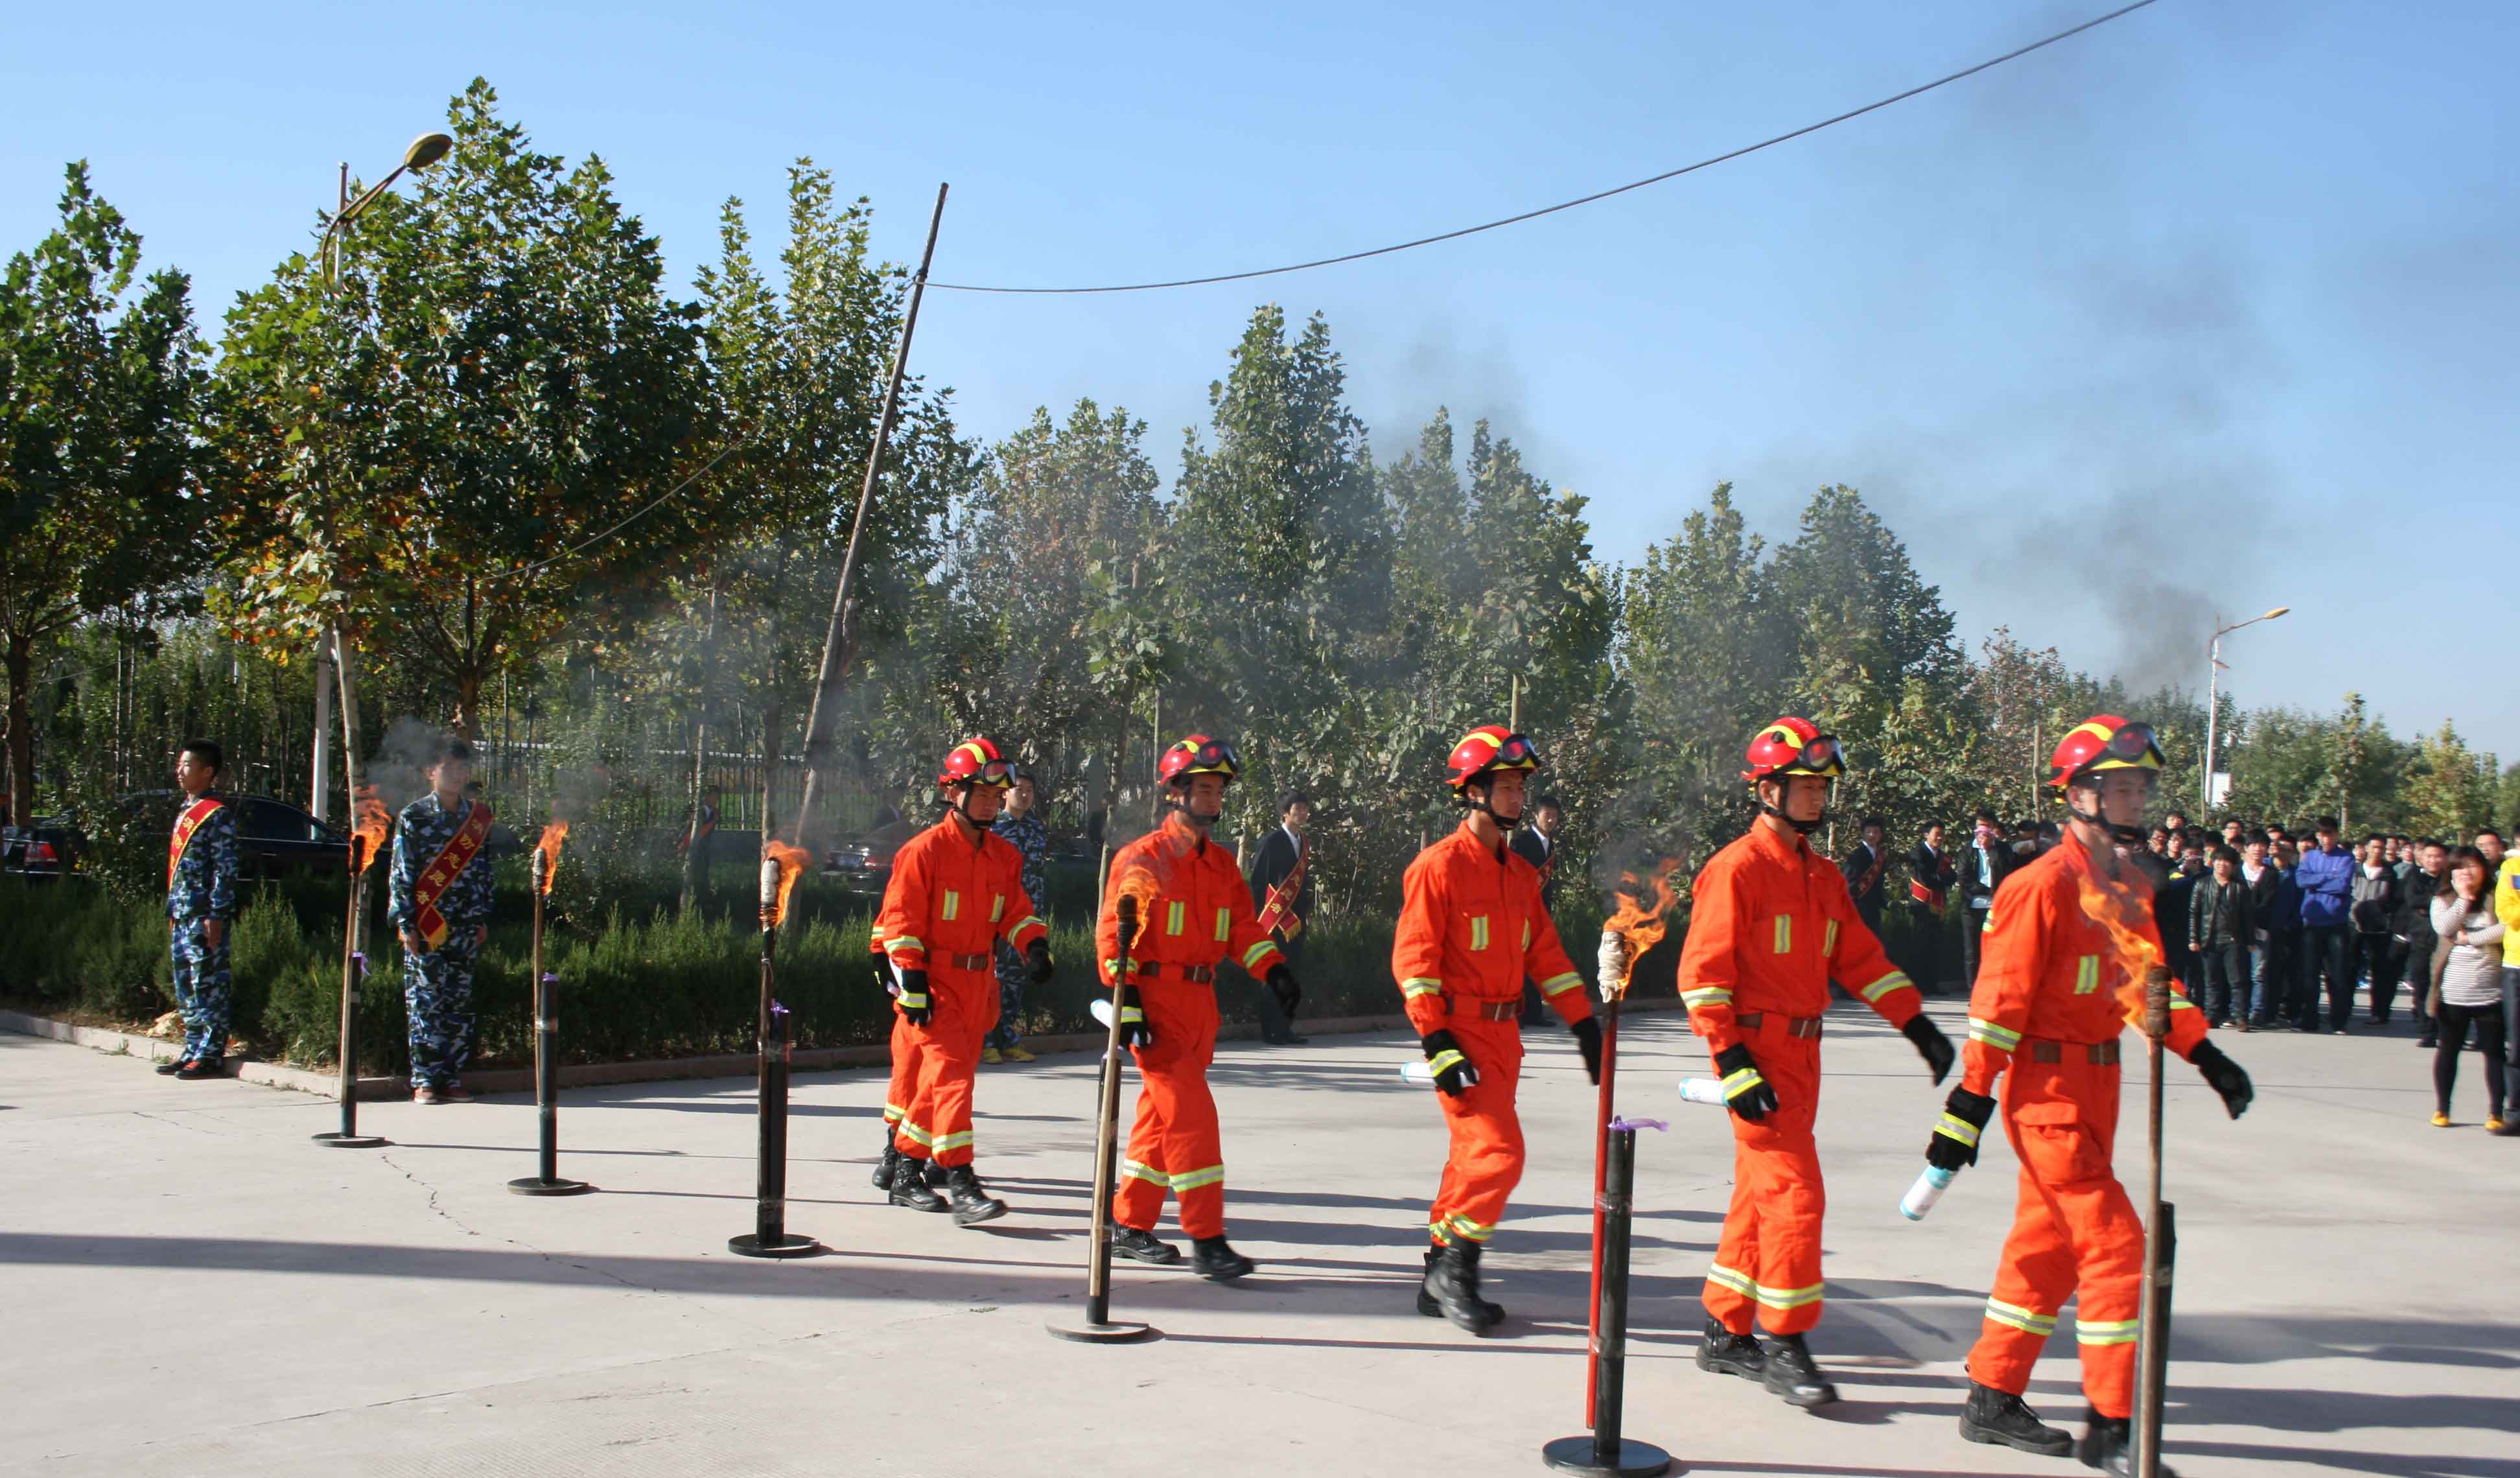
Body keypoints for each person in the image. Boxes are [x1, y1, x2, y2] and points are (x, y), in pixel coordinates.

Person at [1927, 716, 2252, 1472]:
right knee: (2117, 1247)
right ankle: (2111, 1423)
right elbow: (1998, 1006)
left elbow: (2148, 987)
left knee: (2046, 1251)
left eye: (2141, 787)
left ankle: (1991, 1395)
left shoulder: (2129, 886)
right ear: (2080, 796)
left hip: (2100, 1086)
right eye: (2123, 788)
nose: (2138, 801)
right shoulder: (2038, 887)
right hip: (2046, 1097)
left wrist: (2203, 1051)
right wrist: (1969, 1103)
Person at [1671, 718, 1952, 1407]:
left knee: (1759, 1196)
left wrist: (1915, 1021)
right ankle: (1785, 1341)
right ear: (1768, 789)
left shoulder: (1823, 877)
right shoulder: (1736, 869)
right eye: (1806, 785)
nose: (1819, 796)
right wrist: (1732, 1060)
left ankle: (1725, 1330)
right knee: (1796, 1195)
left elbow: (1860, 959)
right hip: (1757, 1055)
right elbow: (1702, 978)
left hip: (1804, 1055)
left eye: (1824, 786)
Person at [1394, 725, 1598, 1333]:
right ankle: (1457, 1268)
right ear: (1473, 791)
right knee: (1499, 1154)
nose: (1517, 796)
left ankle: (1438, 1271)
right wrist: (1436, 1041)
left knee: (1471, 1158)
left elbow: (1547, 956)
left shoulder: (1520, 876)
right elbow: (1414, 962)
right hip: (1459, 1034)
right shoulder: (1438, 867)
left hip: (1506, 1038)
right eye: (1505, 786)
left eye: (1520, 786)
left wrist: (1582, 1019)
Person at [1099, 735, 1299, 1278]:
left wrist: (1273, 969)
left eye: (1218, 790)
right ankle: (1208, 1240)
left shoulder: (1221, 866)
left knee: (1160, 1120)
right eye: (1204, 789)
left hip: (1200, 1006)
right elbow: (1115, 938)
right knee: (1193, 1119)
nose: (1214, 799)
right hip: (1157, 1006)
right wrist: (1129, 1001)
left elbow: (1242, 931)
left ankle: (1130, 1223)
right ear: (1176, 793)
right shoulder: (1143, 859)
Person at [876, 738, 1053, 1225]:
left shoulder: (1003, 855)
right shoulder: (923, 852)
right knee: (950, 1077)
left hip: (979, 986)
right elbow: (900, 924)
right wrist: (912, 983)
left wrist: (1034, 945)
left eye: (997, 795)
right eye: (983, 793)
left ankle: (906, 1169)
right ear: (953, 792)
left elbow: (1015, 911)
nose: (992, 803)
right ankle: (961, 1181)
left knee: (944, 1080)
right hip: (935, 984)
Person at [389, 737, 498, 1104]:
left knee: (459, 1004)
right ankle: (425, 1079)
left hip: (465, 926)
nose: (456, 774)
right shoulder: (415, 817)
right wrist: (406, 923)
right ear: (430, 771)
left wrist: (482, 917)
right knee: (425, 1003)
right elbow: (402, 873)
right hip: (428, 924)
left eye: (462, 768)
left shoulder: (476, 818)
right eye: (448, 767)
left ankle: (452, 1077)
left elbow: (484, 871)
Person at [159, 740, 240, 1081]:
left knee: (208, 984)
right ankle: (192, 1049)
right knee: (186, 986)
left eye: (187, 765)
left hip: (204, 914)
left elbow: (225, 868)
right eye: (180, 764)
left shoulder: (216, 814)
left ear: (207, 772)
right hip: (182, 912)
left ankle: (209, 1054)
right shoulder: (186, 809)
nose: (180, 771)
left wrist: (216, 913)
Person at [2426, 847, 2505, 1130]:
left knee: (2494, 1052)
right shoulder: (2443, 899)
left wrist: (2471, 939)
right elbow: (2443, 928)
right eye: (2460, 867)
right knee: (2448, 1049)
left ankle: (2496, 1112)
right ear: (2451, 872)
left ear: (2484, 868)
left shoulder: (2496, 896)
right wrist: (2463, 898)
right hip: (2453, 991)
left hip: (2491, 990)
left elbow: (2507, 927)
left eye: (2472, 865)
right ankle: (2442, 1109)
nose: (2466, 872)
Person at [984, 768, 1049, 1065]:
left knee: (1016, 979)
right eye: (1019, 789)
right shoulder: (993, 828)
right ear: (1005, 794)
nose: (1024, 795)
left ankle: (1008, 1038)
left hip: (1028, 916)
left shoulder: (1036, 828)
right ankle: (986, 1039)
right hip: (999, 916)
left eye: (1029, 790)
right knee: (994, 978)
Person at [1244, 788, 1315, 1045]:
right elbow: (1258, 880)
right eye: (1298, 809)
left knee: (1292, 976)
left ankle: (1285, 1028)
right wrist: (1257, 917)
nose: (1303, 813)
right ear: (1285, 813)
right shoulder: (1271, 841)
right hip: (1273, 921)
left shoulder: (1304, 842)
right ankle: (1271, 1031)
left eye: (1305, 809)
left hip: (1296, 922)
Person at [1509, 793, 1567, 1024]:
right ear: (1536, 815)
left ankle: (1534, 1013)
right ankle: (1518, 1014)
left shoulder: (1550, 844)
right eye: (1547, 815)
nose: (1551, 820)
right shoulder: (1521, 842)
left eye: (1555, 816)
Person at [2295, 817, 2355, 1033]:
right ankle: (2309, 1019)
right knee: (2309, 975)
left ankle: (2338, 1020)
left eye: (2329, 834)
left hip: (2336, 923)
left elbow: (2343, 885)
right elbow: (2301, 881)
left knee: (2337, 975)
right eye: (2322, 835)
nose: (2326, 839)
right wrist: (2329, 876)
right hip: (2312, 923)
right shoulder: (2310, 856)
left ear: (2337, 835)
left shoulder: (2347, 857)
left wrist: (2317, 882)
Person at [2189, 846, 2252, 1027]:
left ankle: (2240, 1016)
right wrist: (2193, 939)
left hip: (2233, 940)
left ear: (2233, 865)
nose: (2222, 864)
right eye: (2218, 860)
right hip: (2209, 939)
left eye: (2227, 861)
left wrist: (2250, 941)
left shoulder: (2241, 887)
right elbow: (2194, 913)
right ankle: (2212, 1015)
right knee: (2211, 981)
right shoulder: (2202, 884)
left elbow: (2248, 917)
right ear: (2213, 862)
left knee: (2237, 981)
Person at [2350, 834, 2405, 1026]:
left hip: (2380, 928)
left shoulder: (2390, 874)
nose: (2377, 851)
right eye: (2374, 847)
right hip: (2353, 924)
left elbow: (2395, 900)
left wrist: (2383, 912)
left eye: (2381, 848)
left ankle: (2380, 1012)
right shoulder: (2354, 870)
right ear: (2365, 848)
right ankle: (2344, 1008)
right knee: (2349, 967)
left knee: (2381, 971)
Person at [1960, 810, 2016, 991]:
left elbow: (2008, 873)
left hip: (1997, 906)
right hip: (1973, 906)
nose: (1982, 830)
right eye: (1979, 826)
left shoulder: (2003, 849)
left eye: (1987, 826)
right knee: (1972, 951)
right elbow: (1964, 877)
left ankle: (1994, 988)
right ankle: (1974, 991)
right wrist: (1986, 890)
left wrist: (1991, 849)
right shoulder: (1967, 850)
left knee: (1996, 949)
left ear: (1993, 828)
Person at [2399, 839, 2445, 1048]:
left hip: (2445, 940)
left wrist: (2428, 905)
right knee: (2422, 984)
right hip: (2420, 939)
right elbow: (2413, 901)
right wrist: (2436, 901)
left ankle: (2445, 1030)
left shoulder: (2450, 879)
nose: (2433, 860)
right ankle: (2427, 1031)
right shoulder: (2414, 876)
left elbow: (2452, 902)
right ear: (2422, 858)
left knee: (2443, 986)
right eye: (2429, 856)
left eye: (2437, 856)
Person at [1906, 822, 1958, 994]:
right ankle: (1918, 985)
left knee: (1935, 945)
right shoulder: (1917, 853)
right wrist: (1942, 879)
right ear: (1926, 834)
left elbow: (1952, 877)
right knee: (1920, 945)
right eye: (1937, 833)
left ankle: (1932, 984)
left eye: (1942, 834)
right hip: (1922, 905)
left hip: (1938, 905)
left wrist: (1941, 878)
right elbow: (1925, 878)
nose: (1940, 837)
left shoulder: (1943, 857)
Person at [2237, 839, 2280, 1031]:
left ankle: (2257, 1013)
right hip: (2237, 929)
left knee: (2258, 974)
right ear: (2246, 848)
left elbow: (2268, 901)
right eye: (2254, 844)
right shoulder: (2237, 871)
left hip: (2261, 929)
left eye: (2262, 845)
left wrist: (2251, 918)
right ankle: (2238, 1013)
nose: (2258, 849)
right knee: (2238, 973)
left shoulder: (2271, 874)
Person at [2497, 835, 2520, 1135]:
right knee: (2517, 1044)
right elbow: (2508, 913)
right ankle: (2515, 1113)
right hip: (2516, 965)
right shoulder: (2511, 869)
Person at [1841, 816, 1889, 936]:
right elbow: (1849, 882)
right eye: (1868, 832)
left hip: (1874, 907)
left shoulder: (1880, 856)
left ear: (1881, 835)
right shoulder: (1856, 855)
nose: (1872, 835)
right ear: (1863, 834)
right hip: (1859, 907)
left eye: (1876, 832)